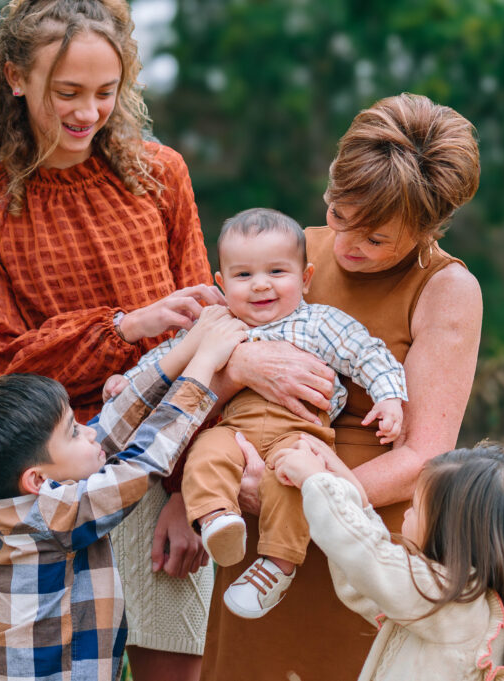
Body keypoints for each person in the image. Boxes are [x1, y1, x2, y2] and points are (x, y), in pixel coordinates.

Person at [0, 1, 219, 678]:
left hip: (169, 458)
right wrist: (125, 325)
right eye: (67, 92)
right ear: (15, 77)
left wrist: (193, 492)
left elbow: (213, 335)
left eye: (106, 92)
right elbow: (0, 362)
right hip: (52, 486)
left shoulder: (161, 175)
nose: (88, 112)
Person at [200, 93, 485, 679]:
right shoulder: (287, 254)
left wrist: (312, 502)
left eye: (376, 238)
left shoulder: (448, 289)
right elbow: (206, 372)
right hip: (256, 520)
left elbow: (424, 455)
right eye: (338, 215)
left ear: (429, 227)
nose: (349, 245)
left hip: (361, 543)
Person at [110, 207, 406, 619]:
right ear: (221, 283)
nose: (260, 286)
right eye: (243, 275)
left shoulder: (318, 322)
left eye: (277, 272)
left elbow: (367, 353)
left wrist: (389, 397)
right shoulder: (219, 324)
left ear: (305, 278)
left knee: (294, 478)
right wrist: (129, 380)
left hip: (300, 431)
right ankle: (216, 519)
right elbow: (170, 357)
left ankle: (277, 566)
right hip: (235, 430)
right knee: (206, 453)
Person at [0, 307, 246, 681]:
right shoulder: (52, 515)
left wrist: (187, 349)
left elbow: (113, 422)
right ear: (36, 479)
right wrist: (205, 365)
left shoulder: (8, 499)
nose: (88, 431)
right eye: (72, 431)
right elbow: (143, 461)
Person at [272, 438, 504, 681]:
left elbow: (370, 561)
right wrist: (352, 495)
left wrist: (316, 481)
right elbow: (367, 583)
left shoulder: (456, 605)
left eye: (415, 507)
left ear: (451, 533)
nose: (407, 513)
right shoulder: (459, 606)